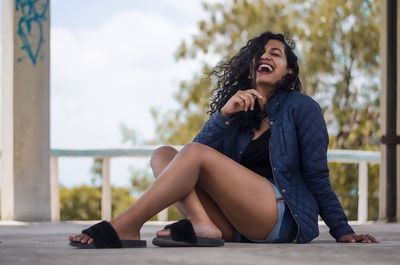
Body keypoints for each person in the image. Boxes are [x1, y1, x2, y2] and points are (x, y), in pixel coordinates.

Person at [69, 31, 378, 248]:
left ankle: (126, 224)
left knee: (191, 155)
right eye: (261, 53)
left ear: (287, 71)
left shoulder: (303, 108)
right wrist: (224, 115)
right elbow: (186, 164)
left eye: (275, 53)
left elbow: (316, 174)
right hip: (237, 223)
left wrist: (342, 230)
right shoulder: (240, 108)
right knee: (163, 155)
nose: (265, 57)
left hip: (281, 215)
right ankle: (205, 226)